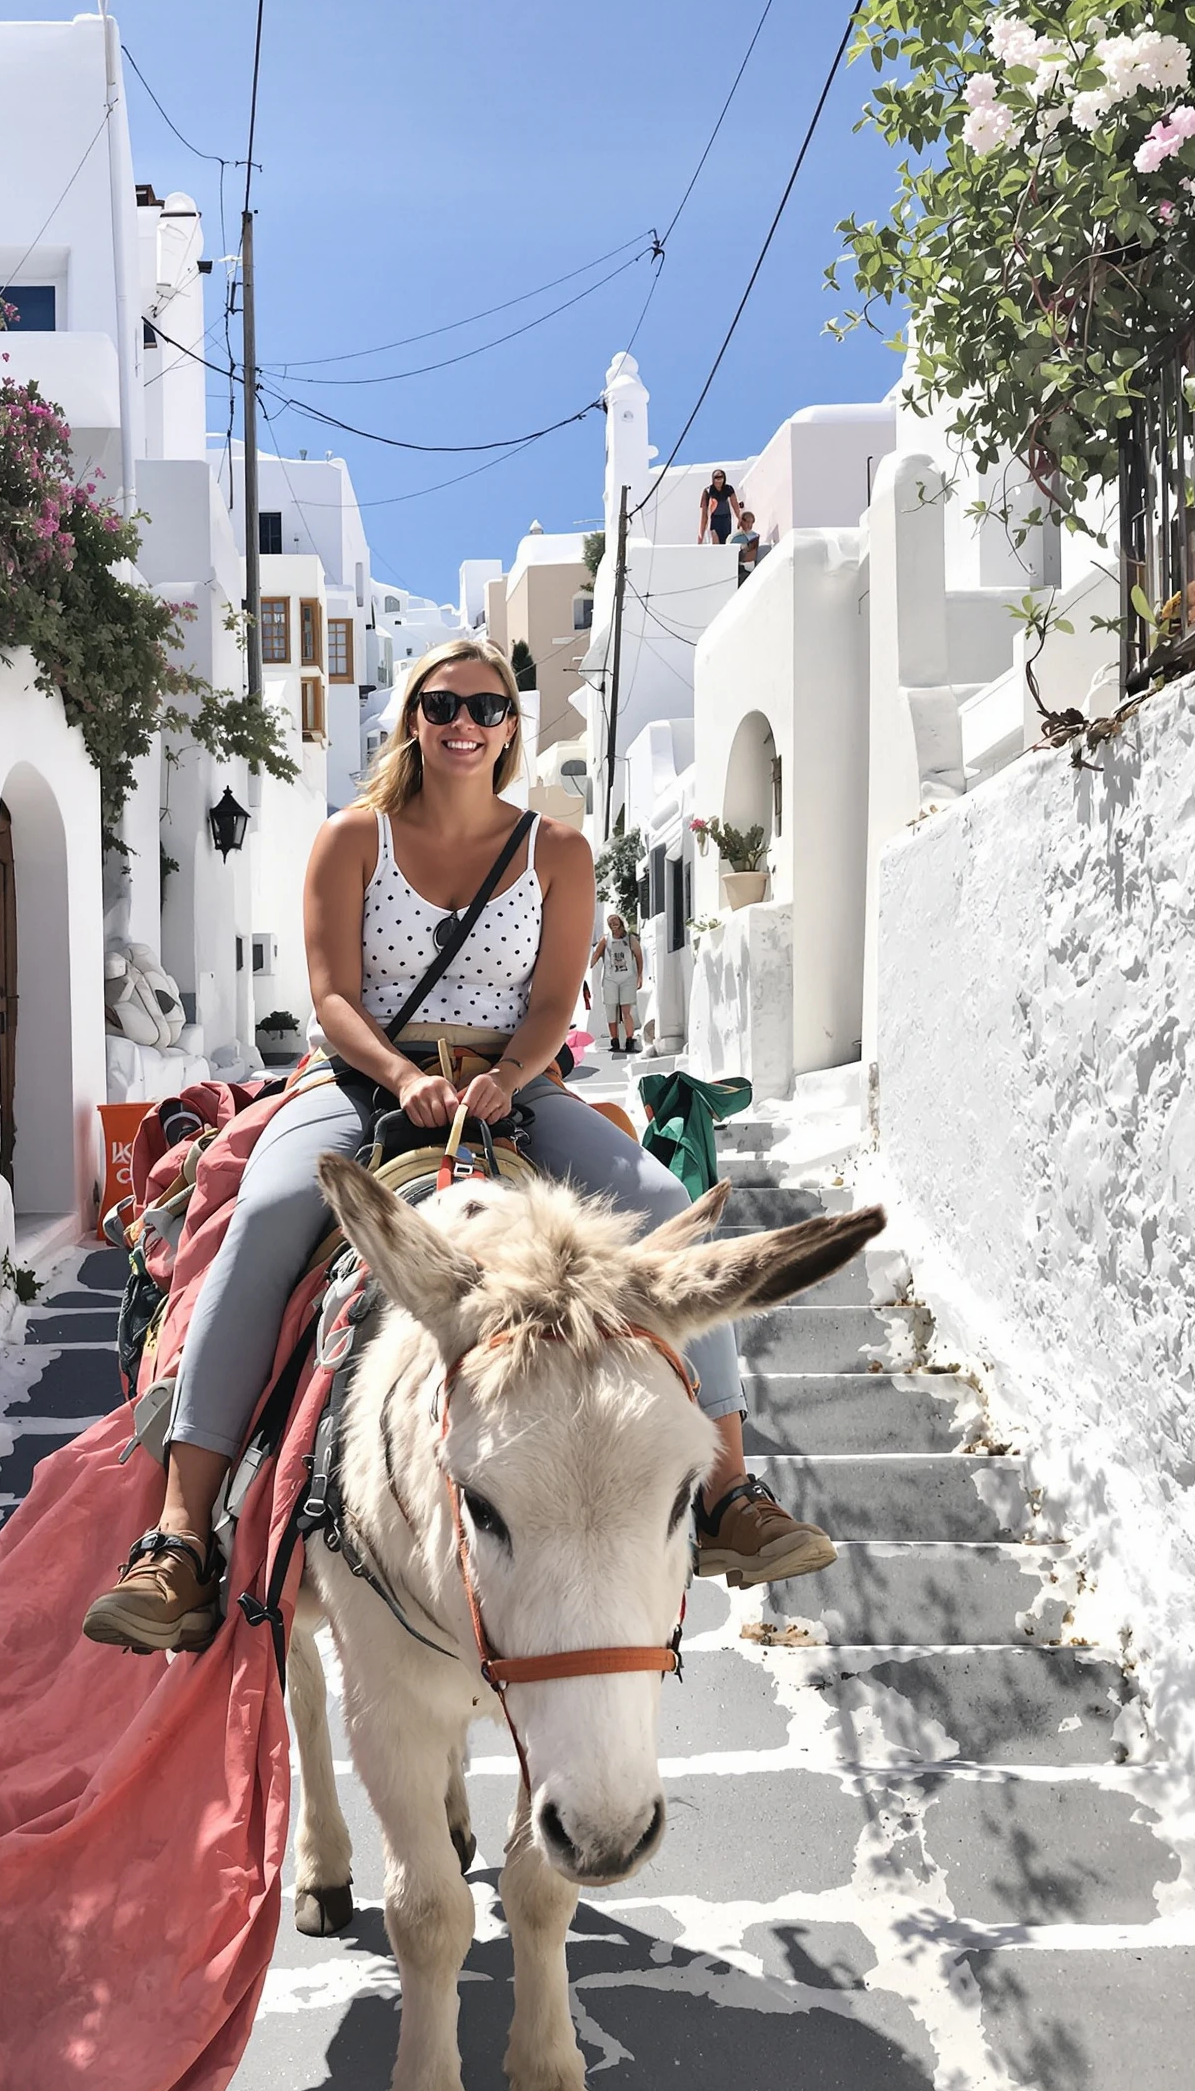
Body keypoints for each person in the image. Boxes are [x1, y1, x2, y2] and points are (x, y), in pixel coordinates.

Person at [82, 641, 833, 1655]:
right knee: (259, 1220)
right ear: (413, 716)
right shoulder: (352, 839)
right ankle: (181, 1539)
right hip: (362, 1079)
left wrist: (507, 1077)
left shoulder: (555, 852)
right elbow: (335, 998)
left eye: (486, 705)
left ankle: (730, 1492)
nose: (464, 722)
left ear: (511, 725)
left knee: (660, 1207)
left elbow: (553, 1002)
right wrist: (402, 1079)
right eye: (442, 703)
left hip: (514, 1087)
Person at [589, 912, 644, 1055]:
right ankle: (614, 1041)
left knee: (626, 1011)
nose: (613, 924)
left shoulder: (630, 939)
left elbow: (639, 957)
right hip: (610, 979)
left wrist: (639, 975)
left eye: (615, 921)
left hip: (627, 979)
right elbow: (595, 957)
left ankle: (629, 1040)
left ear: (620, 922)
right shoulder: (605, 940)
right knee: (611, 1011)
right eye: (610, 922)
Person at [698, 468, 746, 546]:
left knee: (725, 542)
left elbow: (735, 505)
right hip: (714, 520)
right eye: (716, 478)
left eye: (721, 477)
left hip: (726, 519)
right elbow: (704, 514)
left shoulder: (728, 489)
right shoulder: (708, 491)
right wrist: (701, 536)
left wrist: (739, 518)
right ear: (713, 479)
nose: (719, 480)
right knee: (715, 541)